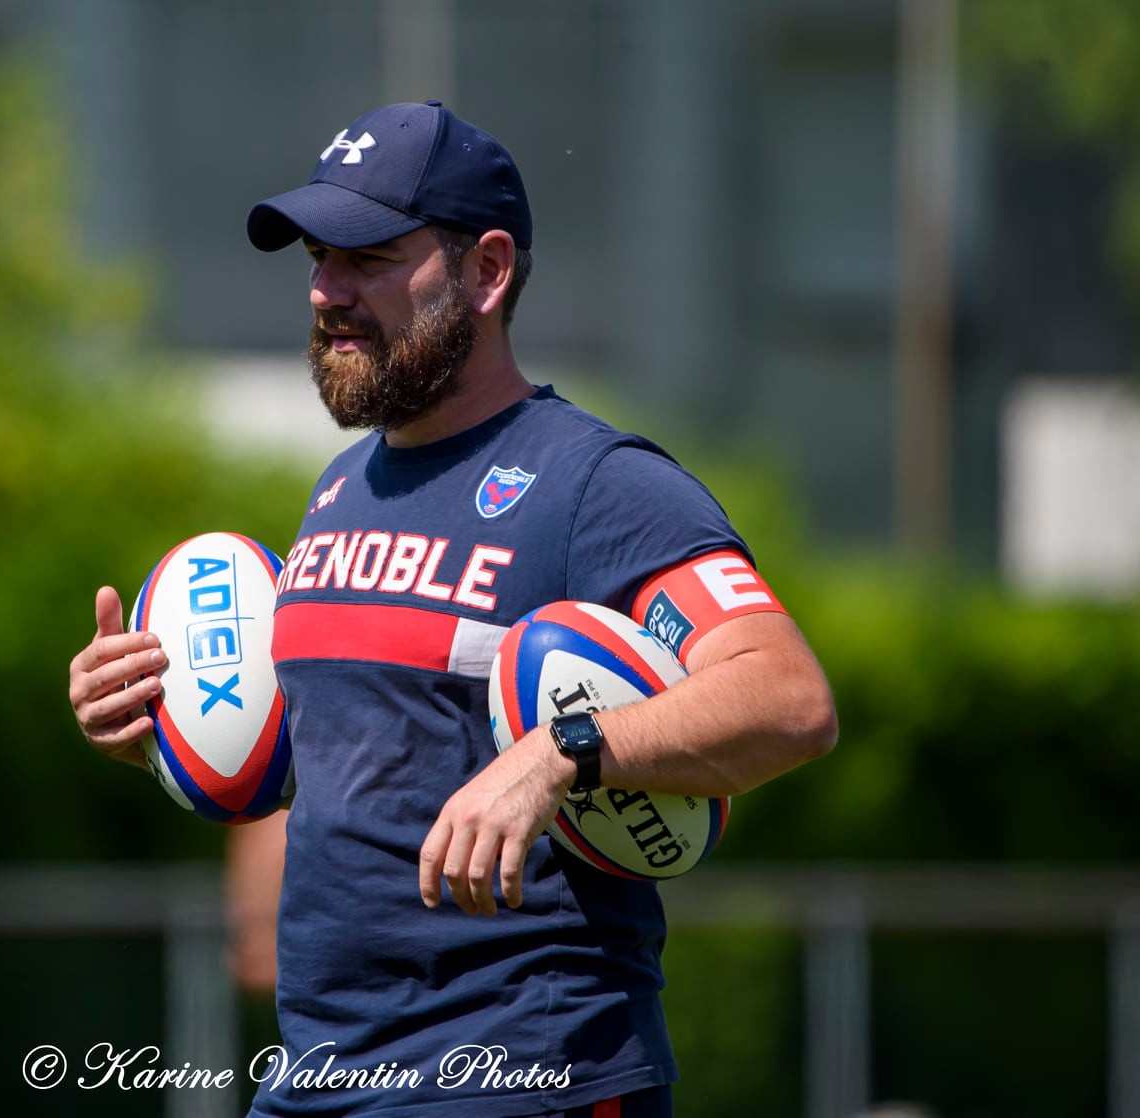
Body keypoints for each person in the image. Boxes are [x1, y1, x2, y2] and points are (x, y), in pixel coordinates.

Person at [68, 101, 838, 1118]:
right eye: (316, 256)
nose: (325, 291)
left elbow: (789, 698)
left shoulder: (596, 482)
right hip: (325, 1070)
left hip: (520, 1070)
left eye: (369, 256)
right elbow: (347, 761)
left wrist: (562, 750)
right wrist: (165, 724)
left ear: (486, 270)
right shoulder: (341, 488)